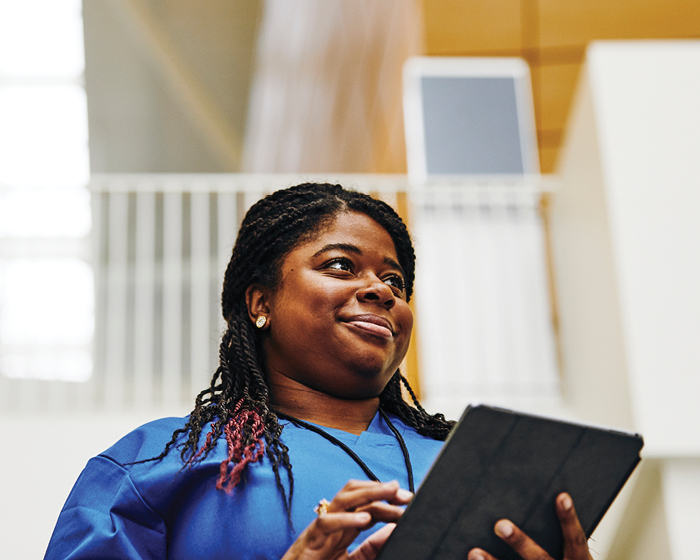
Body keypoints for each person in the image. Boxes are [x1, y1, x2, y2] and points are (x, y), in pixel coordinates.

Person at [45, 183, 593, 560]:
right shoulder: (157, 465)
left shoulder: (475, 466)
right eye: (340, 266)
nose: (381, 290)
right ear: (260, 302)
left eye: (395, 282)